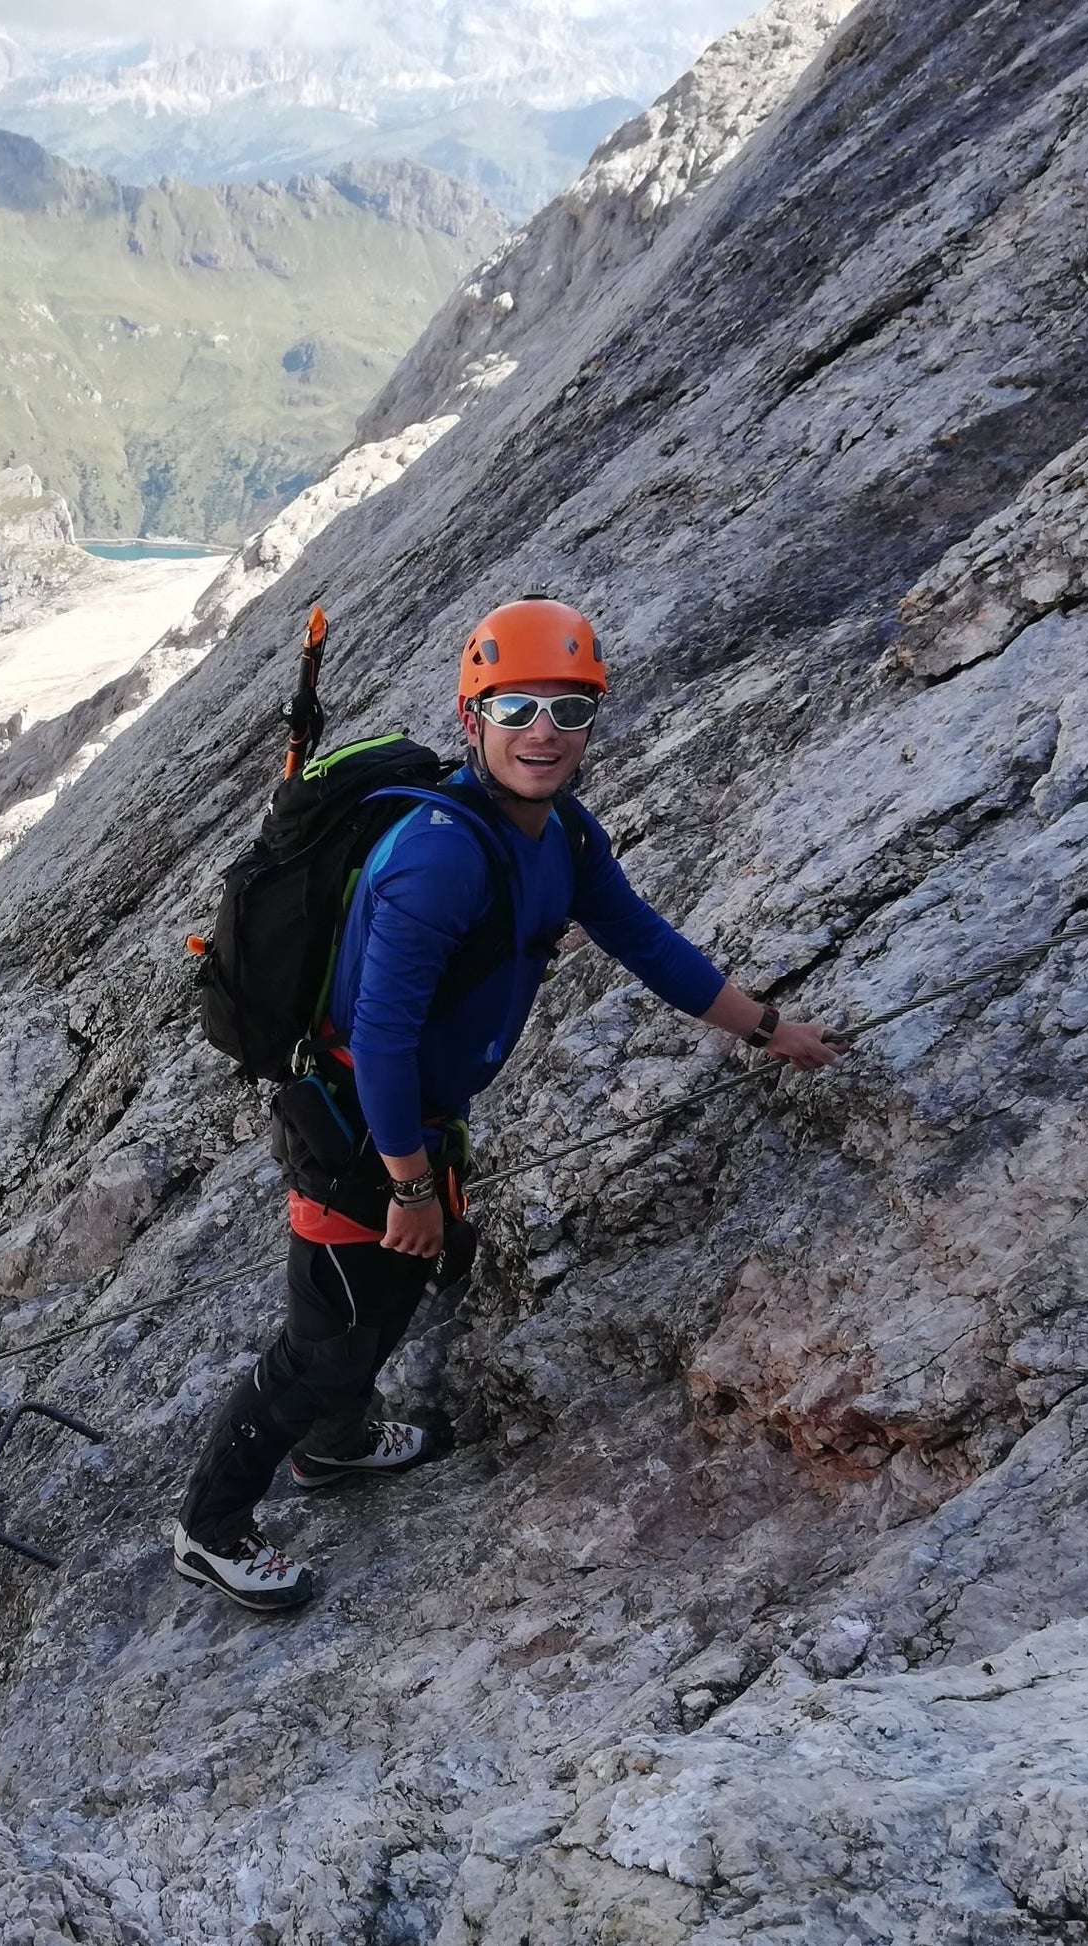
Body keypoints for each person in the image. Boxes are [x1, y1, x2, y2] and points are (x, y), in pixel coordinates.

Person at [171, 598, 841, 1611]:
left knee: (380, 1301)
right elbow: (384, 1035)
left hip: (411, 1121)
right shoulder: (440, 855)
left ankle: (333, 1446)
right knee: (328, 1336)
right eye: (516, 705)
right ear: (469, 717)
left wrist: (763, 1027)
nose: (542, 731)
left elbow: (644, 942)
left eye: (568, 710)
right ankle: (209, 1525)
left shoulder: (560, 834)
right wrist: (404, 1182)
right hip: (359, 1125)